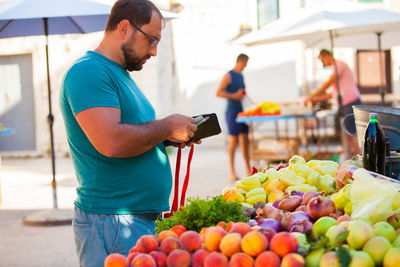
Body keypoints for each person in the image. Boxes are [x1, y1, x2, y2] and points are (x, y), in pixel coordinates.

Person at [59, 1, 199, 266]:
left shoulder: (117, 74)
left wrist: (168, 136)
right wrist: (166, 126)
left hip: (132, 220)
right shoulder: (88, 72)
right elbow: (111, 141)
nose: (155, 51)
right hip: (112, 222)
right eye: (151, 40)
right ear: (124, 28)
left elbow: (131, 133)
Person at [305, 49, 362, 157]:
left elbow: (329, 83)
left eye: (322, 60)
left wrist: (311, 96)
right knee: (344, 133)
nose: (323, 64)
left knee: (352, 132)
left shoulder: (339, 65)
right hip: (343, 104)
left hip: (350, 102)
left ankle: (358, 156)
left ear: (327, 55)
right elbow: (333, 93)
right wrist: (316, 99)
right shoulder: (335, 68)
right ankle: (350, 155)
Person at [216, 54, 251, 181]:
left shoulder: (241, 75)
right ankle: (232, 172)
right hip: (231, 112)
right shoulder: (228, 75)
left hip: (242, 112)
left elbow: (242, 93)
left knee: (246, 141)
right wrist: (234, 96)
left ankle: (249, 170)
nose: (246, 66)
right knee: (233, 142)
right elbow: (218, 92)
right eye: (246, 63)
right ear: (240, 61)